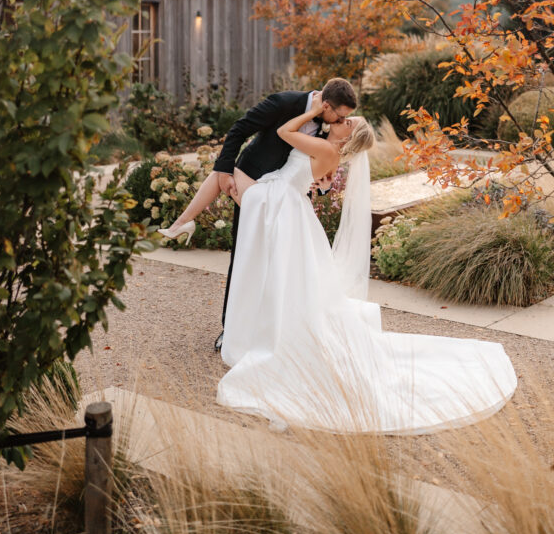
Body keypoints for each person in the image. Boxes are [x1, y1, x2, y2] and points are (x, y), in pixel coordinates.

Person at [213, 94, 518, 434]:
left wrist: (314, 114)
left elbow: (287, 135)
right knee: (280, 277)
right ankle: (255, 328)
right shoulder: (322, 142)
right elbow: (303, 168)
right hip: (284, 207)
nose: (338, 122)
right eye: (343, 117)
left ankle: (268, 335)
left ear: (346, 137)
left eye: (345, 123)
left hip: (285, 210)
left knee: (282, 279)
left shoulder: (326, 146)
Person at [164, 77, 357, 350]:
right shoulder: (284, 102)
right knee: (244, 255)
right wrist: (224, 169)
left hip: (284, 197)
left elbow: (318, 169)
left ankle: (270, 327)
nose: (339, 121)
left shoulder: (328, 127)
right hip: (251, 182)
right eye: (340, 115)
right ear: (326, 105)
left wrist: (323, 188)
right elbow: (240, 129)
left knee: (275, 264)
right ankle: (230, 329)